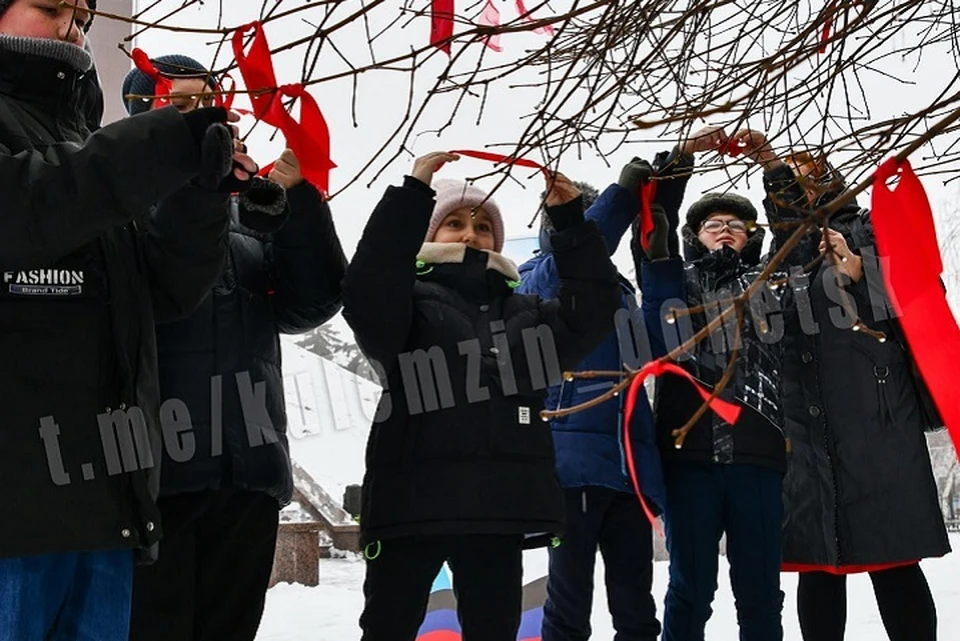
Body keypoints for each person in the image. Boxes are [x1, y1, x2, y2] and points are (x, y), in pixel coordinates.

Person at [0, 1, 259, 640]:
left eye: (84, 16)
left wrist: (201, 192)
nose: (72, 27)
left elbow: (164, 294)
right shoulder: (89, 164)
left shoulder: (84, 150)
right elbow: (22, 210)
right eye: (50, 7)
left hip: (101, 511)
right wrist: (161, 139)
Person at [342, 151, 621, 641]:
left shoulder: (528, 312)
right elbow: (367, 290)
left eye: (483, 225)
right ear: (428, 235)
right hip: (410, 507)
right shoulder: (403, 301)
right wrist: (412, 193)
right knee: (387, 629)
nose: (471, 234)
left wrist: (570, 221)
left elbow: (594, 308)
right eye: (453, 223)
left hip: (498, 508)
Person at [119, 55, 348, 641]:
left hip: (246, 471)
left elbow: (310, 305)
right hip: (153, 476)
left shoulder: (252, 218)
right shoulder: (117, 209)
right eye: (182, 104)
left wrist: (298, 204)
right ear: (139, 117)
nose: (207, 117)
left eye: (212, 101)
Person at [734, 129, 950, 641]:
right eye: (793, 182)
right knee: (818, 565)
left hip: (875, 417)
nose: (802, 190)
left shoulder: (869, 231)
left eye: (811, 177)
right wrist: (770, 165)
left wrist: (859, 272)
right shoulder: (781, 253)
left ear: (831, 182)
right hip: (804, 422)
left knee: (894, 558)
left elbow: (923, 293)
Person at [637, 127, 788, 641]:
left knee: (761, 592)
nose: (725, 231)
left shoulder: (771, 279)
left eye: (737, 226)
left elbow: (795, 227)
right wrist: (681, 157)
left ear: (752, 237)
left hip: (759, 456)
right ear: (693, 236)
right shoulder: (675, 281)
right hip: (689, 459)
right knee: (689, 588)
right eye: (712, 225)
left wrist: (770, 162)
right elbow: (653, 220)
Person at [518, 161, 664, 641]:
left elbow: (659, 349)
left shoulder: (617, 293)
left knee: (637, 608)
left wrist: (657, 262)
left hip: (628, 467)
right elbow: (577, 249)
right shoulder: (536, 279)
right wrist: (619, 197)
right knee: (567, 605)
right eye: (571, 218)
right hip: (571, 465)